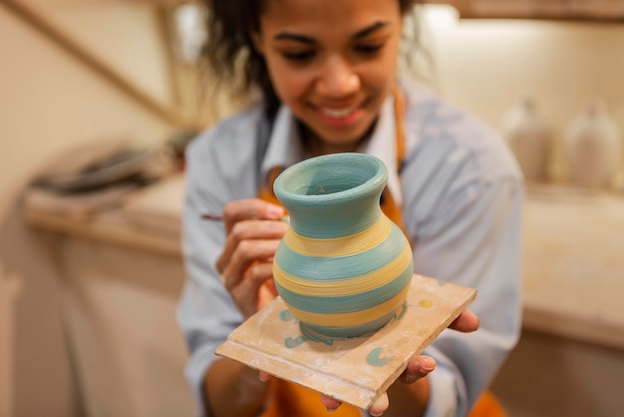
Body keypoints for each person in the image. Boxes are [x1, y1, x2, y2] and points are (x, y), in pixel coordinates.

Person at [177, 0, 524, 416]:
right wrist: (262, 341)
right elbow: (217, 402)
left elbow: (449, 401)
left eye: (369, 46)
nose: (339, 84)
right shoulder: (219, 160)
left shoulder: (470, 168)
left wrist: (385, 362)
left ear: (402, 24)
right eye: (300, 54)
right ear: (258, 38)